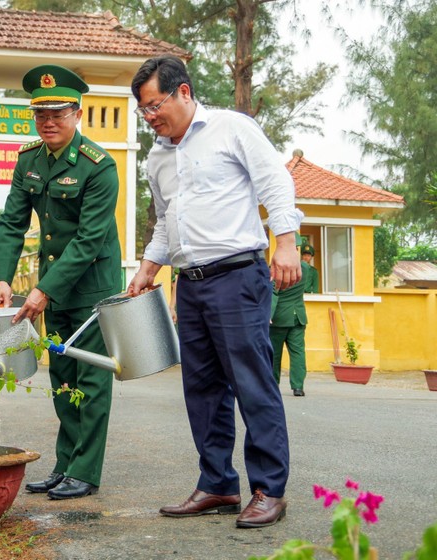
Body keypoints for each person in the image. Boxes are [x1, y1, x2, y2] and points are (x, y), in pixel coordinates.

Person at [127, 56, 303, 528]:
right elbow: (166, 221)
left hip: (237, 276)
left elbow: (275, 182)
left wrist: (285, 242)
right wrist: (148, 268)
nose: (150, 117)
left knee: (251, 382)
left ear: (183, 92)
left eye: (155, 105)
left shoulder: (232, 128)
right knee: (202, 389)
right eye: (143, 110)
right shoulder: (157, 157)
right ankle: (217, 483)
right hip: (191, 284)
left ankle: (269, 489)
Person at [0, 64, 121, 500]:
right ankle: (65, 464)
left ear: (78, 113)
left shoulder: (99, 167)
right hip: (52, 286)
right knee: (62, 379)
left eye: (59, 114)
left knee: (91, 380)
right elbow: (12, 222)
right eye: (41, 114)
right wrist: (5, 279)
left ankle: (85, 470)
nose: (48, 122)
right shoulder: (28, 159)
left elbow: (88, 240)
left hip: (91, 288)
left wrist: (44, 289)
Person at [271, 236, 310, 397]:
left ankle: (273, 385)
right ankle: (298, 386)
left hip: (279, 317)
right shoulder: (305, 268)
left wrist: (268, 313)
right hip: (298, 315)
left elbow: (273, 293)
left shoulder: (276, 268)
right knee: (298, 352)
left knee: (274, 354)